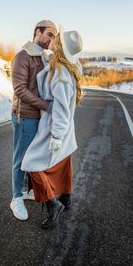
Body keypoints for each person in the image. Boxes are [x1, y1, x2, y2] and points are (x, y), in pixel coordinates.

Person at [21, 25, 83, 228]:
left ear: (60, 47)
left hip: (54, 127)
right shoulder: (65, 68)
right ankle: (66, 198)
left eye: (57, 40)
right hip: (62, 127)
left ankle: (52, 204)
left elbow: (62, 109)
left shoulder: (61, 75)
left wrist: (56, 136)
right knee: (64, 160)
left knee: (31, 164)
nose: (53, 40)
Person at [10, 20, 57, 220]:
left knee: (32, 157)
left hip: (38, 117)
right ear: (38, 32)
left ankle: (25, 189)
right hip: (25, 117)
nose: (51, 40)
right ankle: (16, 198)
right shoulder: (23, 56)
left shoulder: (44, 57)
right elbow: (20, 90)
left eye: (54, 36)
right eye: (50, 35)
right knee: (20, 158)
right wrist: (46, 105)